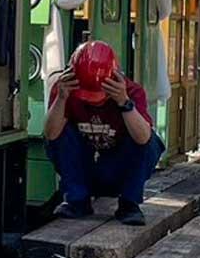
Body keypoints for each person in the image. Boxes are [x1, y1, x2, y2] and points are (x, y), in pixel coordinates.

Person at [45, 39, 163, 225]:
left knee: (150, 140)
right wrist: (61, 99)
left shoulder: (132, 92)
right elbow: (51, 134)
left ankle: (129, 203)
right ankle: (77, 200)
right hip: (83, 167)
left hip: (116, 167)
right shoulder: (65, 90)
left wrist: (124, 103)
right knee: (60, 131)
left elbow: (143, 139)